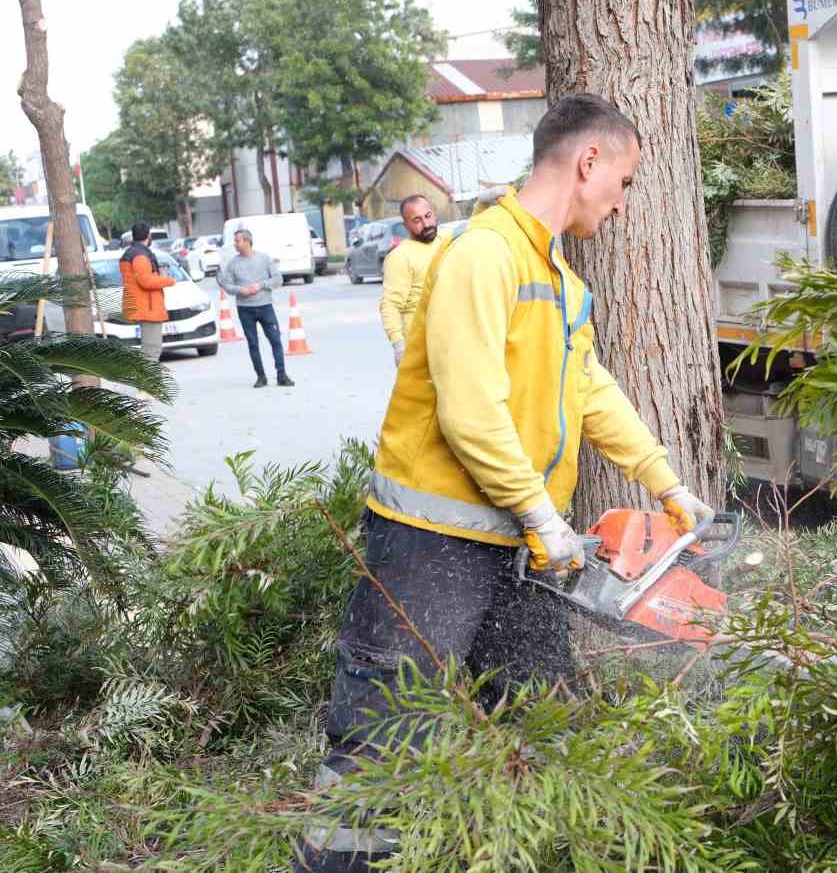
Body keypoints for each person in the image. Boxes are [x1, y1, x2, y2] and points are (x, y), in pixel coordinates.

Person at [294, 94, 718, 872]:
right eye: (622, 183)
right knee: (388, 728)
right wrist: (540, 515)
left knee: (540, 713)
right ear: (587, 163)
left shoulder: (555, 273)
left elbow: (588, 388)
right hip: (434, 541)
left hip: (518, 543)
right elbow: (468, 408)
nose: (623, 205)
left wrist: (667, 484)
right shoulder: (484, 255)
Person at [377, 194, 450, 366]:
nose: (426, 224)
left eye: (428, 216)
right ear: (406, 225)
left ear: (434, 214)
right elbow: (390, 304)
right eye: (416, 220)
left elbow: (474, 231)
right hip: (421, 346)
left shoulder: (446, 239)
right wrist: (398, 345)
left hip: (451, 340)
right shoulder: (400, 257)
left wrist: (482, 203)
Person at [218, 229, 294, 388]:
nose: (235, 244)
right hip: (245, 309)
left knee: (275, 340)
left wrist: (261, 285)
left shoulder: (264, 258)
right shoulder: (233, 264)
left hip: (265, 307)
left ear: (247, 242)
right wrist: (240, 290)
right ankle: (261, 377)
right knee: (253, 344)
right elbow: (226, 285)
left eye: (237, 241)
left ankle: (281, 375)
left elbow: (278, 279)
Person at [118, 222, 175, 362]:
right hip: (148, 309)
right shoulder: (140, 256)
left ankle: (147, 381)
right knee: (152, 350)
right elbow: (145, 281)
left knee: (150, 350)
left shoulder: (132, 253)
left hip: (142, 306)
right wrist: (168, 280)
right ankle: (148, 383)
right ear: (148, 236)